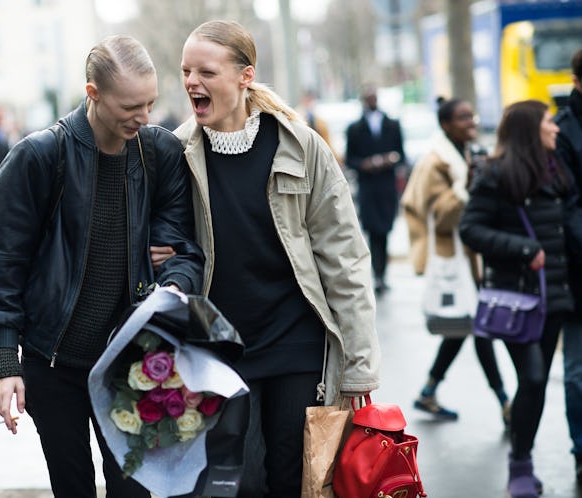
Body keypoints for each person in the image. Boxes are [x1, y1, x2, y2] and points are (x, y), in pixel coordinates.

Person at [0, 35, 204, 498]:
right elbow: (4, 268)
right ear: (93, 93)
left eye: (150, 103)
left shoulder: (159, 154)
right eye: (130, 107)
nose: (143, 118)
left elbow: (184, 253)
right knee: (73, 486)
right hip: (53, 363)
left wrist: (174, 284)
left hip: (131, 364)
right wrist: (5, 364)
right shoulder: (37, 158)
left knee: (136, 490)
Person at [168, 20, 381, 497]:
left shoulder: (302, 148)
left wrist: (359, 365)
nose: (190, 83)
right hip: (220, 351)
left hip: (294, 344)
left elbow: (345, 261)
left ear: (245, 76)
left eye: (205, 71)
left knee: (293, 479)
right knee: (240, 483)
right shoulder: (176, 154)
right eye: (185, 71)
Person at [459, 99, 582, 498]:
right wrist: (523, 248)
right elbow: (471, 230)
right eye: (549, 122)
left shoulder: (556, 170)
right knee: (531, 378)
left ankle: (522, 458)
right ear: (531, 129)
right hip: (519, 301)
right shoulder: (495, 174)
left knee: (537, 382)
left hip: (555, 297)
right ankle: (520, 467)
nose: (556, 129)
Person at [401, 97, 510, 423]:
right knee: (478, 327)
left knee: (463, 327)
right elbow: (441, 217)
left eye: (471, 115)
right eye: (463, 118)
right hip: (453, 257)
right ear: (446, 124)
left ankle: (429, 390)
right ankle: (506, 403)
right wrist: (469, 187)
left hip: (471, 258)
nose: (471, 122)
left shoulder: (466, 153)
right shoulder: (436, 162)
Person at [345, 85, 406, 294]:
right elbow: (350, 159)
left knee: (386, 230)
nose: (372, 100)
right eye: (368, 97)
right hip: (368, 188)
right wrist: (365, 164)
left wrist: (392, 159)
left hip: (387, 187)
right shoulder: (355, 128)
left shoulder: (392, 124)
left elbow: (401, 154)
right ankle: (377, 275)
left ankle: (383, 274)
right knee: (372, 231)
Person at [555, 47, 582, 482]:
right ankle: (581, 448)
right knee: (578, 373)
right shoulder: (561, 130)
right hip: (577, 272)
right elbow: (566, 205)